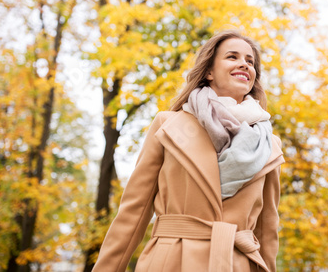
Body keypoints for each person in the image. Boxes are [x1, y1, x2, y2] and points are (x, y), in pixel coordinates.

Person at [92, 30, 285, 272]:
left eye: (250, 61)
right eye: (232, 57)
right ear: (209, 72)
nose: (244, 64)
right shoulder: (167, 125)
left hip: (238, 264)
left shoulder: (269, 145)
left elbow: (267, 231)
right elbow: (133, 212)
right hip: (171, 261)